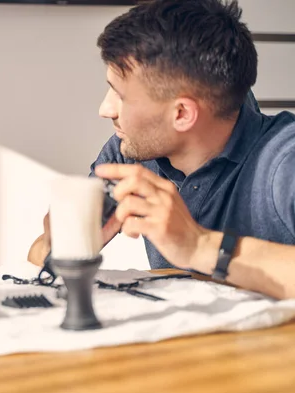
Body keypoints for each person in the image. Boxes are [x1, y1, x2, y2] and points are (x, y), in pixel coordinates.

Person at [28, 0, 295, 299]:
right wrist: (66, 242)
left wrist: (198, 246)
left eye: (120, 95)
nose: (105, 109)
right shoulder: (127, 153)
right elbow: (36, 255)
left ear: (181, 113)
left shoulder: (286, 161)